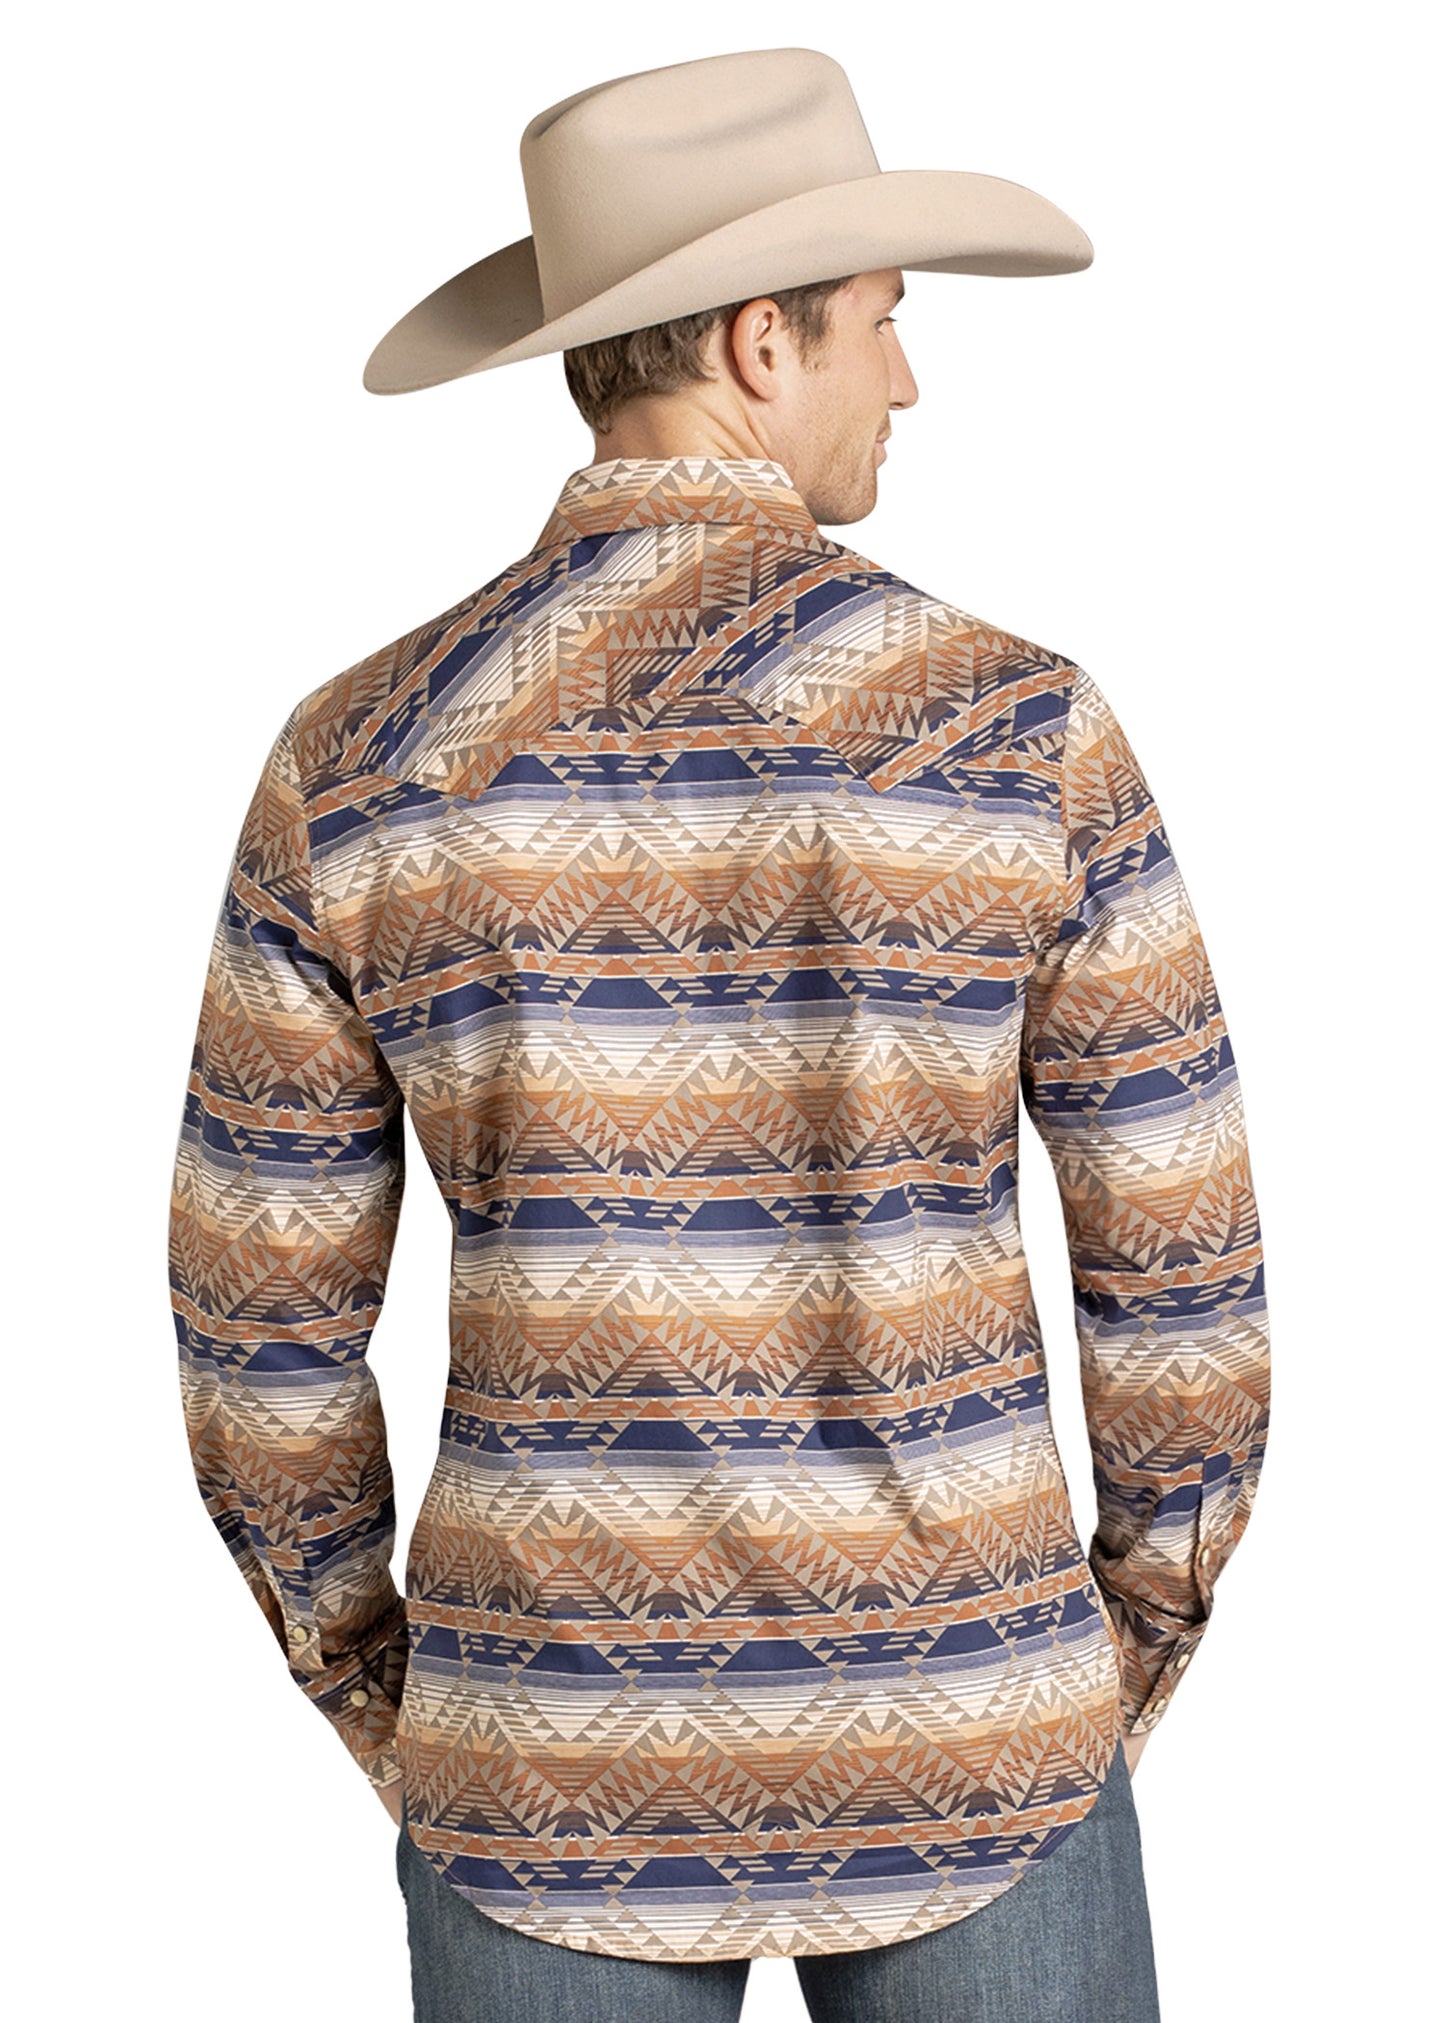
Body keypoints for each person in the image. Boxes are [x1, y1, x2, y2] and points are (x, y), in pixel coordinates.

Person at [168, 45, 1271, 2023]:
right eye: (883, 325)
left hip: (543, 1758)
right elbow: (1183, 1282)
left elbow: (255, 1335)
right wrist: (1095, 1666)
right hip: (972, 1724)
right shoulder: (1023, 733)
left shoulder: (358, 766)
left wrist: (418, 1712)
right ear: (763, 344)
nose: (909, 380)